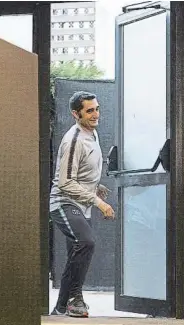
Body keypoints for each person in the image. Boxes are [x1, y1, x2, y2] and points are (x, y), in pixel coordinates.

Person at [50, 91, 115, 317]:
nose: (96, 114)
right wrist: (98, 202)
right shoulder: (74, 140)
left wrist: (95, 187)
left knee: (76, 255)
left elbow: (80, 174)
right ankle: (75, 298)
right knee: (86, 241)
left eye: (97, 108)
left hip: (80, 203)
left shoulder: (92, 134)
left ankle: (60, 309)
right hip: (63, 203)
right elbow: (65, 182)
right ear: (75, 114)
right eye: (89, 110)